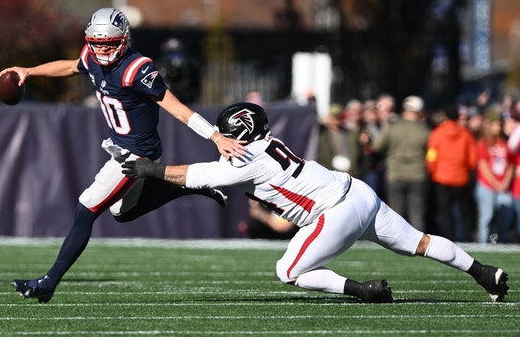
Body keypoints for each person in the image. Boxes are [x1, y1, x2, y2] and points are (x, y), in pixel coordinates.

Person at [122, 102, 509, 303]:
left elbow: (198, 175)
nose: (221, 141)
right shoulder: (266, 146)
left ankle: (364, 291)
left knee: (287, 271)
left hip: (334, 212)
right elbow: (225, 180)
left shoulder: (244, 158)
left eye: (225, 135)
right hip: (358, 193)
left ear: (239, 132)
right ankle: (483, 272)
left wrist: (149, 170)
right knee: (419, 242)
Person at [0, 8, 245, 303]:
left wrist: (216, 136)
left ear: (124, 39)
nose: (102, 48)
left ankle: (48, 282)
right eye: (97, 42)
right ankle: (192, 185)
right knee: (121, 213)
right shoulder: (92, 57)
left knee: (85, 209)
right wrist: (30, 71)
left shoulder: (137, 68)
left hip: (138, 153)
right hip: (120, 147)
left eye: (109, 42)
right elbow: (70, 66)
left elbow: (178, 109)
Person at [372, 96, 431, 231]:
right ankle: (418, 246)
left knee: (396, 214)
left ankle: (395, 245)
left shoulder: (392, 127)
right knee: (417, 215)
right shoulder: (425, 131)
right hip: (418, 175)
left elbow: (377, 147)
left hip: (395, 174)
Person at [425, 104, 478, 242]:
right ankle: (466, 239)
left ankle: (448, 239)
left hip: (442, 178)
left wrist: (434, 172)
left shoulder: (437, 133)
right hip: (461, 178)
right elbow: (473, 160)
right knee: (464, 214)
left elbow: (431, 157)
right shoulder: (466, 135)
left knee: (445, 213)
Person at [474, 109, 513, 243]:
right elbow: (483, 165)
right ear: (489, 125)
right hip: (487, 185)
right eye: (496, 124)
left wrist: (506, 181)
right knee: (487, 216)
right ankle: (483, 243)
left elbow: (511, 163)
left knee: (506, 214)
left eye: (500, 124)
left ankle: (500, 242)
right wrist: (495, 183)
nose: (499, 127)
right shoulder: (483, 143)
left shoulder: (505, 142)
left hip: (503, 186)